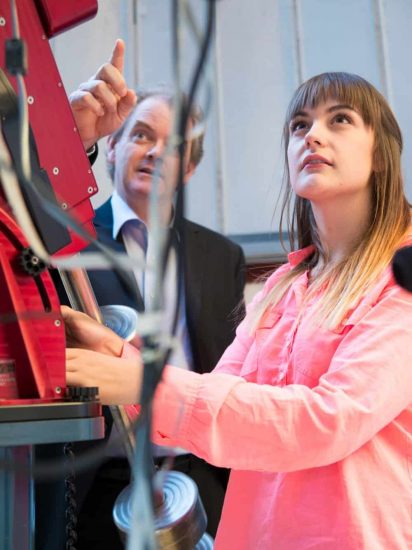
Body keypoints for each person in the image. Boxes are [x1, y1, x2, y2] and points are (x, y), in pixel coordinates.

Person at [66, 70, 412, 550]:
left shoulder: (401, 280)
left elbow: (330, 418)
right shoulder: (281, 287)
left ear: (381, 154)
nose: (312, 134)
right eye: (299, 124)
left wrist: (143, 380)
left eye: (340, 120)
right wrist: (118, 354)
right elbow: (220, 395)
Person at [66, 39, 246, 547]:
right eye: (141, 135)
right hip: (96, 483)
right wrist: (75, 138)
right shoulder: (65, 241)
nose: (157, 152)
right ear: (113, 150)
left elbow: (232, 370)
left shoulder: (222, 256)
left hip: (199, 480)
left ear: (188, 171)